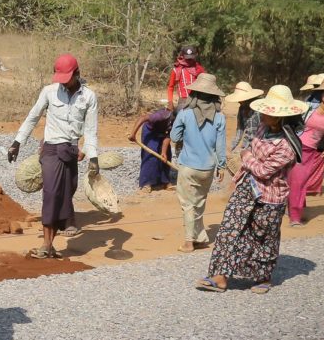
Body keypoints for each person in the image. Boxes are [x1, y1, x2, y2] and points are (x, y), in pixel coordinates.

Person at [196, 84, 307, 295]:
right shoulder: (262, 128)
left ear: (280, 117)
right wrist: (247, 159)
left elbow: (263, 170)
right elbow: (249, 149)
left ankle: (261, 277)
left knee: (262, 235)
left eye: (268, 112)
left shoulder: (287, 147)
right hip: (247, 186)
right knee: (229, 228)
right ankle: (219, 276)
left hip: (271, 196)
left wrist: (246, 158)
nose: (262, 114)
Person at [8, 53, 99, 257]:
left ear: (77, 74)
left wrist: (93, 157)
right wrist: (17, 142)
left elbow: (91, 131)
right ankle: (46, 246)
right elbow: (33, 117)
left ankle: (52, 243)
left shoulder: (89, 97)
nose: (64, 85)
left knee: (65, 195)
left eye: (68, 80)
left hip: (72, 151)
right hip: (50, 149)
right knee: (50, 194)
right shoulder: (49, 92)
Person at [169, 73, 226, 253]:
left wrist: (186, 134)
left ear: (195, 94)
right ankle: (200, 237)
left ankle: (188, 241)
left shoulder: (185, 114)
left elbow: (174, 136)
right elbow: (220, 145)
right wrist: (222, 166)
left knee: (187, 204)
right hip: (208, 168)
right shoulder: (220, 117)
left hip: (188, 166)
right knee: (200, 202)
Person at [287, 78, 324, 227]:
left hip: (314, 153)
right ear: (320, 94)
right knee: (294, 181)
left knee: (300, 183)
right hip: (296, 147)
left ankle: (296, 213)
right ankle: (294, 213)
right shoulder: (307, 107)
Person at [128, 107, 173, 192]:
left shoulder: (178, 122)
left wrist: (163, 152)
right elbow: (143, 118)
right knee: (150, 156)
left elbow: (168, 136)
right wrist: (133, 133)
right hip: (150, 132)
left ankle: (164, 182)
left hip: (163, 133)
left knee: (167, 156)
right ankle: (146, 183)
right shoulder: (162, 115)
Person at [224, 81, 264, 152]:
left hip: (260, 145)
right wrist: (232, 147)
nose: (239, 101)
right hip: (249, 145)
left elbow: (254, 134)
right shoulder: (242, 108)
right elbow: (240, 129)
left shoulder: (258, 109)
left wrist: (244, 149)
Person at [167, 45, 206, 111]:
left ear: (194, 57)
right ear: (182, 56)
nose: (189, 60)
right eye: (187, 58)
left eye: (191, 58)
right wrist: (170, 102)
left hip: (197, 100)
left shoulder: (199, 69)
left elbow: (205, 85)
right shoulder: (176, 70)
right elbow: (170, 87)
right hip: (183, 101)